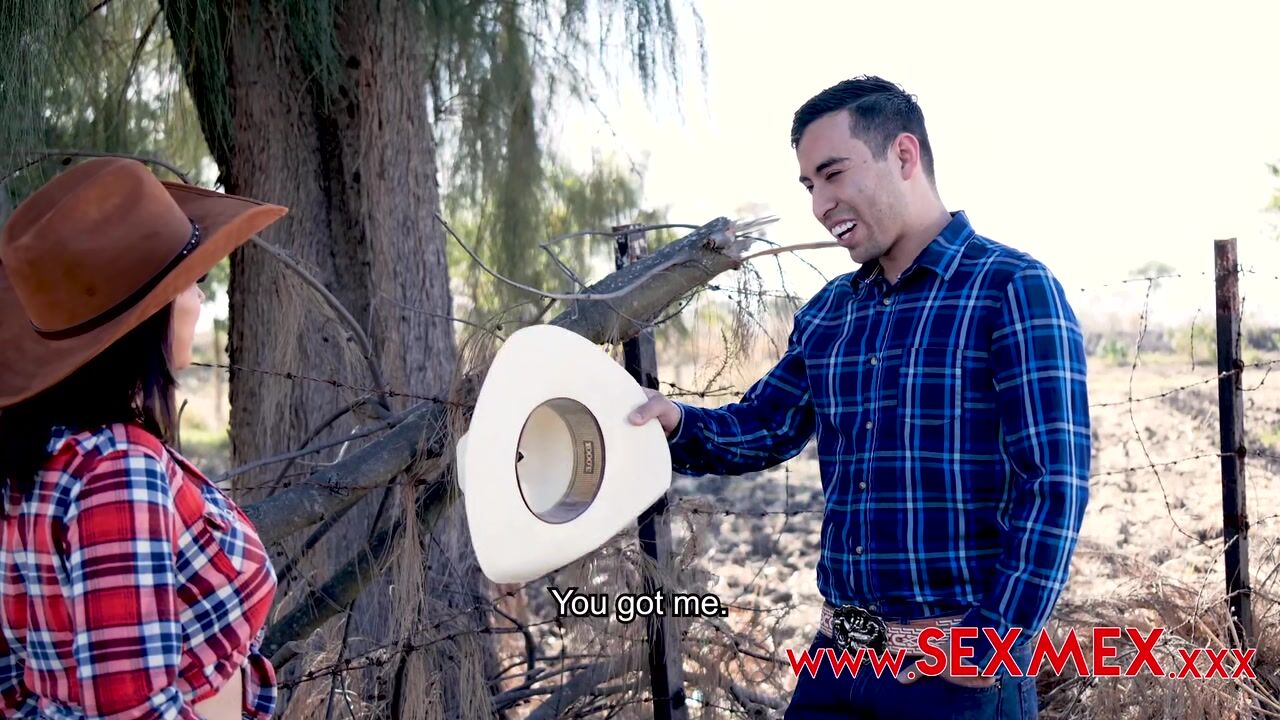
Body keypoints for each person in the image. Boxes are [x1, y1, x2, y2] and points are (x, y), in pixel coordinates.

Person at [629, 76, 1090, 718]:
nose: (821, 204)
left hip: (955, 676)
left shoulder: (1012, 288)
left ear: (903, 155)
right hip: (837, 665)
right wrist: (674, 421)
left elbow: (1054, 483)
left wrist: (993, 645)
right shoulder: (830, 313)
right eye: (809, 186)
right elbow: (763, 427)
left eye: (833, 174)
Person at [0, 157, 288, 719]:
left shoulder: (36, 456)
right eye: (190, 282)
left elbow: (10, 679)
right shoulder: (116, 470)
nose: (199, 299)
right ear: (149, 318)